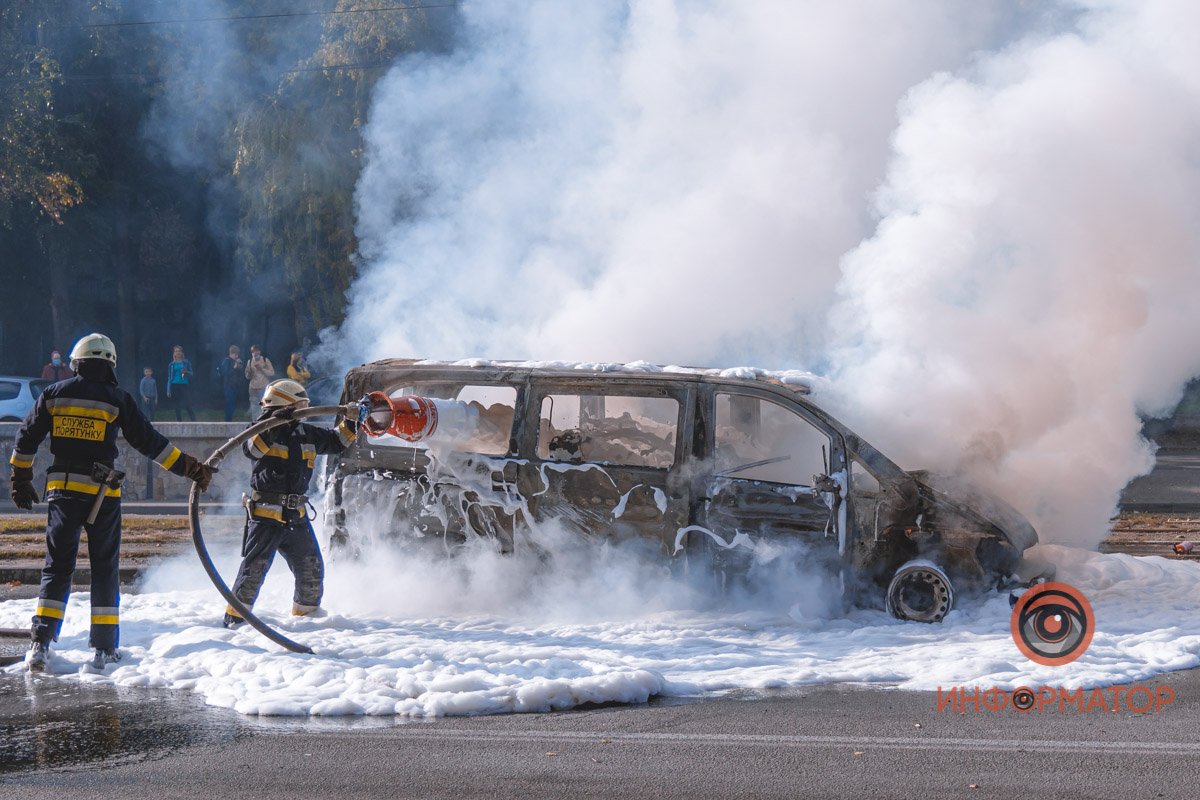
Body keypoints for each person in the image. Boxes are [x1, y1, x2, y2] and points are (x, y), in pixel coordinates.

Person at [8, 333, 216, 671]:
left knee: (57, 567)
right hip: (101, 496)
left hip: (62, 492)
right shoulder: (117, 399)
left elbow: (26, 436)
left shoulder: (54, 394)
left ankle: (40, 644)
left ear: (76, 362)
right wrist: (191, 468)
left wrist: (20, 478)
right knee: (104, 570)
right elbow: (151, 443)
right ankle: (104, 650)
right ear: (110, 364)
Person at [222, 379, 356, 628]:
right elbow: (251, 449)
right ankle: (234, 622)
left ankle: (306, 622)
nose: (304, 411)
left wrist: (354, 419)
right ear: (284, 405)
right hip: (266, 515)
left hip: (296, 515)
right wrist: (275, 424)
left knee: (311, 568)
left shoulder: (306, 433)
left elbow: (338, 442)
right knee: (255, 569)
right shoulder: (260, 429)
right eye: (300, 406)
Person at [165, 345, 196, 422]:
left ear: (182, 353)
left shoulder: (186, 362)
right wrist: (168, 390)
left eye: (179, 351)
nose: (178, 352)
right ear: (174, 353)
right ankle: (179, 422)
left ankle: (194, 422)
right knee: (177, 405)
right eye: (176, 351)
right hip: (174, 385)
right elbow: (169, 378)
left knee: (187, 404)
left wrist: (186, 372)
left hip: (184, 384)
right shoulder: (171, 364)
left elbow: (192, 373)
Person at [243, 345, 274, 418]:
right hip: (253, 388)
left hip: (263, 387)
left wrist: (261, 369)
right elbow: (247, 376)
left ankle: (264, 422)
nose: (255, 353)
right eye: (253, 351)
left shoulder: (265, 360)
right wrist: (249, 373)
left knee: (264, 406)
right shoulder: (249, 361)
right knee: (254, 407)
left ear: (259, 352)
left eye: (256, 351)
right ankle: (255, 422)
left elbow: (272, 373)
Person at [216, 345, 245, 422]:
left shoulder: (235, 361)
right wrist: (234, 368)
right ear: (231, 353)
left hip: (235, 385)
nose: (237, 356)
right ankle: (227, 421)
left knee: (232, 404)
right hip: (228, 386)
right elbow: (225, 374)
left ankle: (229, 420)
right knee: (230, 404)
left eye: (238, 354)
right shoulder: (226, 361)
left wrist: (239, 367)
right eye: (236, 354)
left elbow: (239, 374)